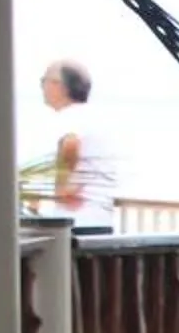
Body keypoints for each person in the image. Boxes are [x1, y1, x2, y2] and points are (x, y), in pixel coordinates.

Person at [38, 58, 122, 228]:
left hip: (79, 218)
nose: (42, 87)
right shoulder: (92, 116)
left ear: (58, 85)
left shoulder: (71, 116)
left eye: (43, 81)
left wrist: (63, 187)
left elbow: (70, 143)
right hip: (99, 216)